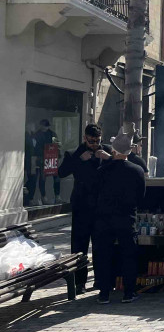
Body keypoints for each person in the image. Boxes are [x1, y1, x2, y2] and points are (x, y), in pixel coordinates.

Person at [92, 132, 146, 304]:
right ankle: (129, 292)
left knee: (104, 254)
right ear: (129, 151)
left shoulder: (101, 171)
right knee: (128, 254)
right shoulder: (136, 170)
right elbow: (141, 196)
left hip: (104, 217)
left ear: (113, 150)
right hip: (126, 216)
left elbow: (94, 194)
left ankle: (104, 293)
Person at [57, 124, 112, 294]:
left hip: (101, 205)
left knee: (100, 245)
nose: (94, 144)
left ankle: (100, 280)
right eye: (91, 141)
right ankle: (79, 283)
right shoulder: (74, 153)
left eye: (97, 141)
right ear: (84, 138)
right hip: (81, 205)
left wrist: (109, 158)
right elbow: (61, 172)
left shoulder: (108, 151)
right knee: (79, 245)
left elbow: (123, 166)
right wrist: (79, 160)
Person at [33, 119, 62, 204]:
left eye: (46, 126)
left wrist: (59, 156)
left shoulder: (52, 134)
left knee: (56, 178)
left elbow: (57, 145)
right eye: (44, 125)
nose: (45, 127)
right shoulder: (37, 135)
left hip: (52, 158)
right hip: (42, 159)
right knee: (42, 178)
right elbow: (35, 148)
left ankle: (57, 196)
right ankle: (43, 197)